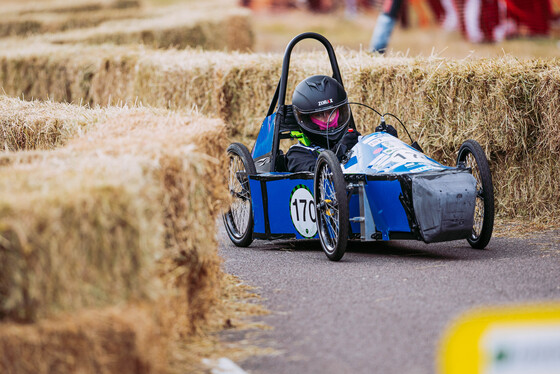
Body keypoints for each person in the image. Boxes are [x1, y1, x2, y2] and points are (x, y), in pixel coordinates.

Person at [286, 75, 360, 173]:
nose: (328, 120)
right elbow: (320, 178)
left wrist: (383, 139)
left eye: (332, 112)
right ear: (307, 119)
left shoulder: (351, 139)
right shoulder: (297, 154)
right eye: (319, 115)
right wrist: (339, 152)